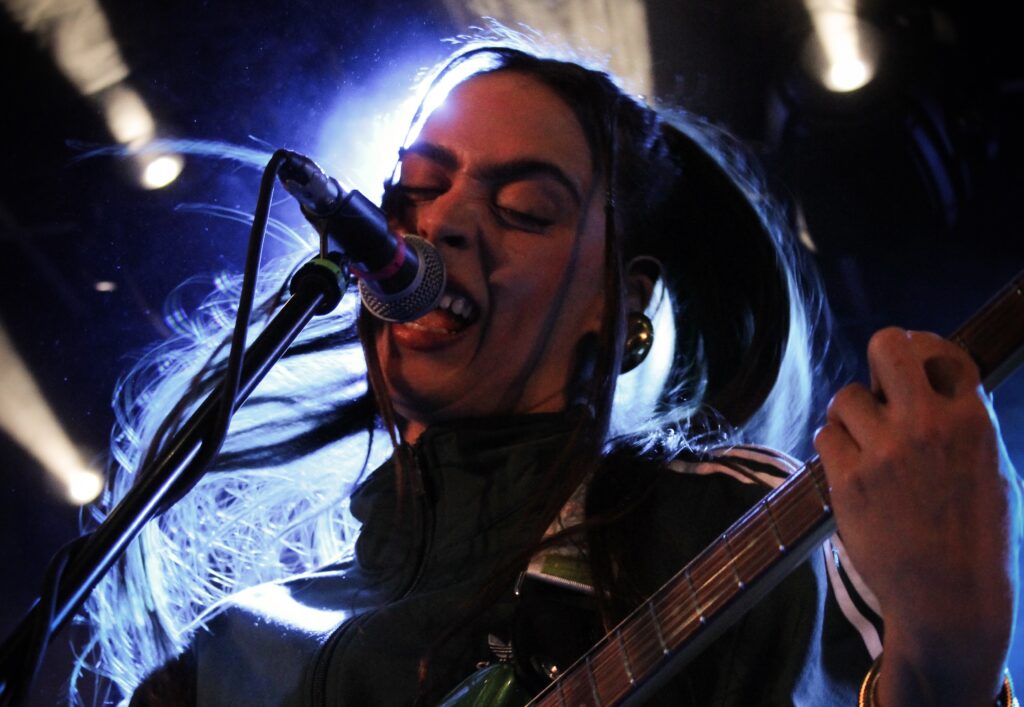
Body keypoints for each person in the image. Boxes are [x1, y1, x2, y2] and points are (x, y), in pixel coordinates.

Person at [80, 32, 1019, 707]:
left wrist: (947, 658)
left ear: (621, 305)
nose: (444, 223)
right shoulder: (230, 654)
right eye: (418, 188)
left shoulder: (719, 528)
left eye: (525, 210)